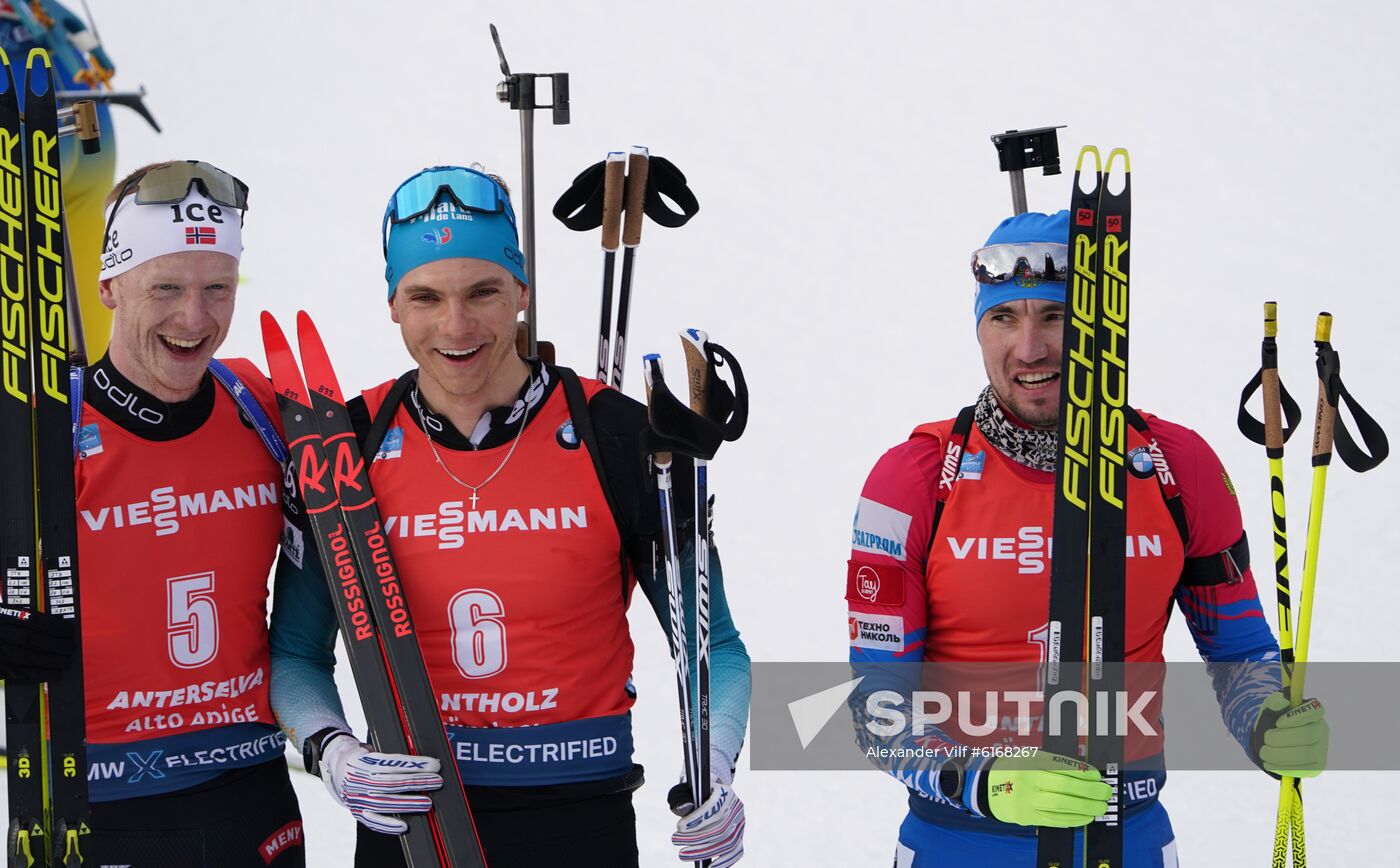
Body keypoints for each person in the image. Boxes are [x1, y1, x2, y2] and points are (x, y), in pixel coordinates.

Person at [270, 165, 751, 867]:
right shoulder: (348, 443)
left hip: (580, 817)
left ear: (522, 291)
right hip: (413, 823)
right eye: (425, 296)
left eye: (483, 292)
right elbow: (294, 656)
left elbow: (716, 650)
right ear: (393, 304)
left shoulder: (616, 437)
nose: (455, 325)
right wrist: (336, 754)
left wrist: (715, 771)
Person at [845, 210, 1330, 867]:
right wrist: (983, 780)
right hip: (958, 843)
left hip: (1126, 840)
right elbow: (877, 702)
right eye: (1003, 319)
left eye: (1052, 315)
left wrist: (1269, 722)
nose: (1030, 348)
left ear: (1098, 326)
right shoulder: (914, 478)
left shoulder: (1175, 467)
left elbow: (1240, 651)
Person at [67, 160, 301, 865]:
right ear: (108, 286)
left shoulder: (259, 404)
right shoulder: (47, 429)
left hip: (250, 791)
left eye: (217, 289)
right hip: (105, 795)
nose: (193, 319)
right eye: (165, 287)